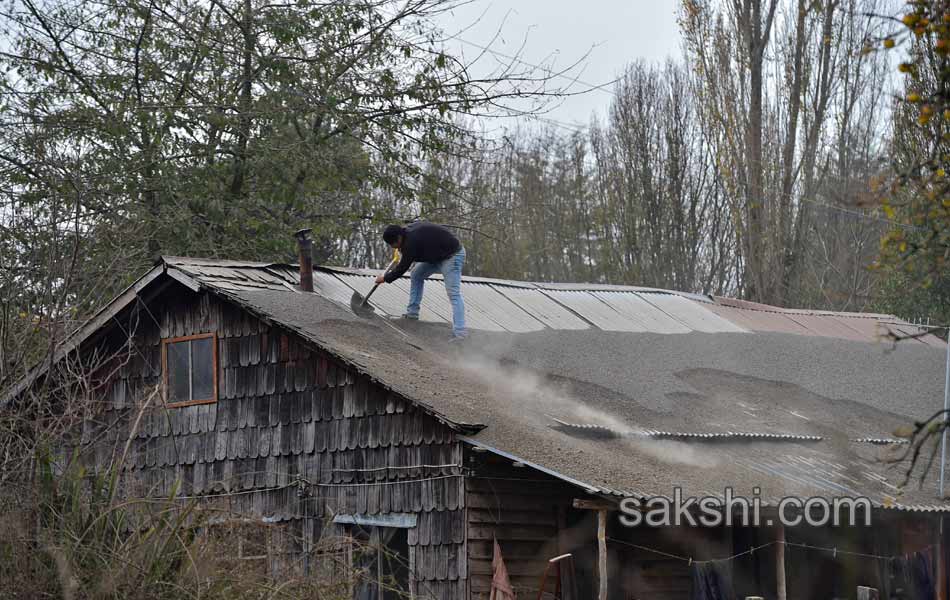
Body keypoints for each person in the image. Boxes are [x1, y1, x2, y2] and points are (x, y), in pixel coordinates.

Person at [376, 222, 467, 340]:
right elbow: (406, 255)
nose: (394, 247)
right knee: (416, 275)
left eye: (394, 244)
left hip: (452, 255)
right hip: (435, 255)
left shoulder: (411, 242)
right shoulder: (406, 233)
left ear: (399, 237)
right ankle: (412, 314)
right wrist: (401, 249)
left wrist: (384, 278)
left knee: (453, 294)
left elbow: (402, 268)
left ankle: (460, 334)